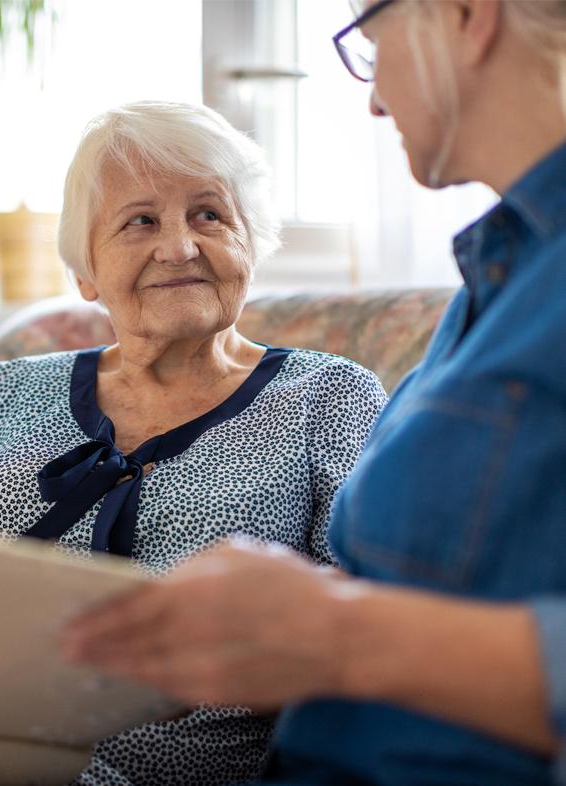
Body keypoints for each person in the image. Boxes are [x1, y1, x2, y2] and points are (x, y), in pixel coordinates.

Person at [62, 2, 566, 784]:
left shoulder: (328, 391)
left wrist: (336, 633)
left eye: (370, 46)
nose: (373, 96)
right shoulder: (495, 280)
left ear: (466, 16)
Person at [0, 101, 387, 786]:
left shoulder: (329, 397)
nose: (179, 246)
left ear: (252, 245)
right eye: (140, 221)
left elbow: (370, 627)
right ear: (86, 273)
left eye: (209, 214)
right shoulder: (5, 393)